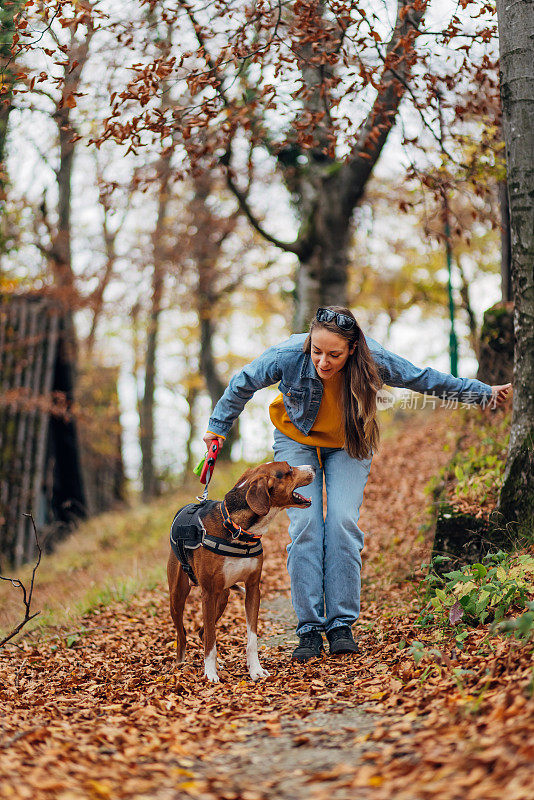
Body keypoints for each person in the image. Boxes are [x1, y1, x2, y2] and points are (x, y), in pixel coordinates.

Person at [203, 306, 512, 662]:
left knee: (342, 523)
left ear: (351, 349)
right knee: (305, 527)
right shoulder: (289, 353)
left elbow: (422, 377)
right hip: (296, 441)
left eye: (333, 354)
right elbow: (244, 381)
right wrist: (218, 428)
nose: (322, 361)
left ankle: (340, 625)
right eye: (316, 351)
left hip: (350, 443)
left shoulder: (374, 358)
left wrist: (480, 392)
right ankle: (308, 629)